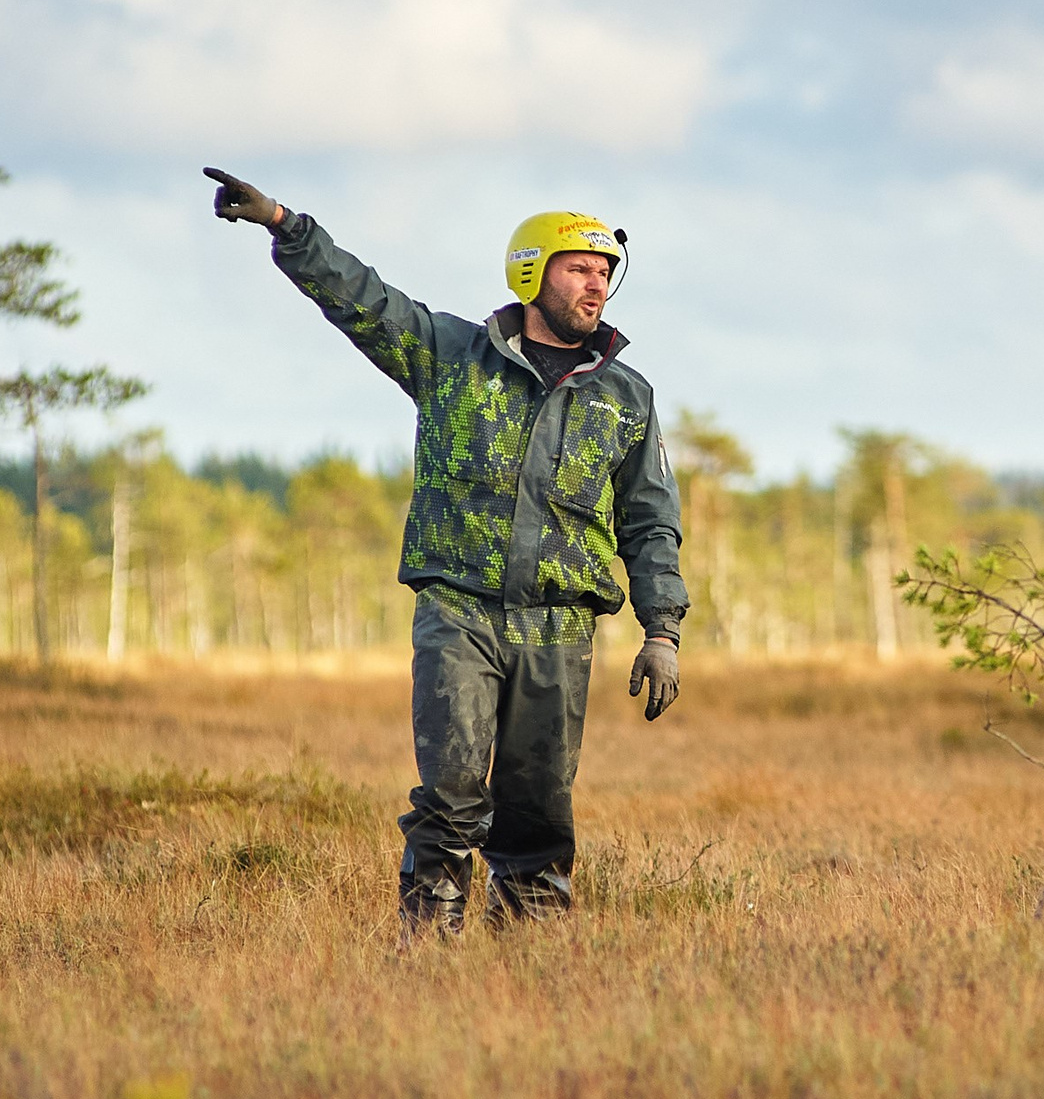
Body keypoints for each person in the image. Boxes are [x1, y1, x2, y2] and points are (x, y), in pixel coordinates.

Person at [204, 166, 687, 931]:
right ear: (531, 273)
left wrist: (662, 630)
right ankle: (429, 949)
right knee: (452, 792)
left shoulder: (627, 396)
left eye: (605, 271)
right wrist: (286, 226)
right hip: (459, 610)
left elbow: (651, 521)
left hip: (559, 627)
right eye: (578, 269)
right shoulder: (453, 355)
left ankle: (530, 956)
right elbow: (365, 300)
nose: (596, 284)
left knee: (539, 808)